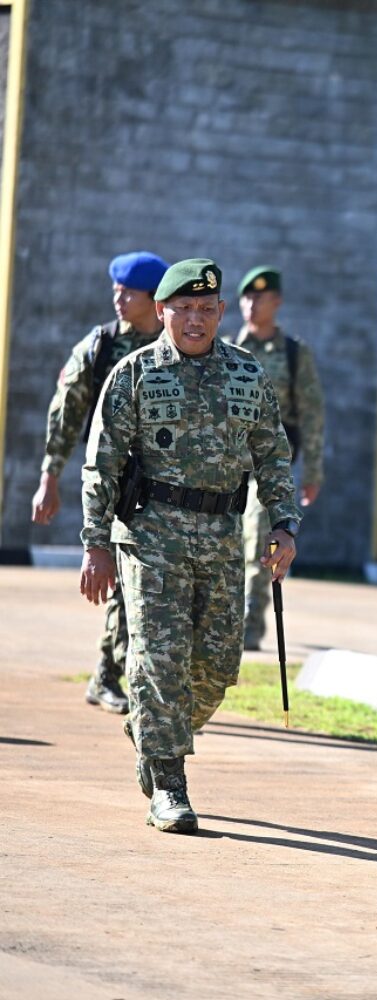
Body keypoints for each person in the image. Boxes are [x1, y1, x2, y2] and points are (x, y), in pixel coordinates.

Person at [80, 259, 301, 834]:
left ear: (222, 313)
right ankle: (169, 780)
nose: (196, 319)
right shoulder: (134, 374)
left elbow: (274, 455)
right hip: (150, 536)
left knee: (218, 667)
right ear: (162, 312)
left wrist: (284, 524)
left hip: (224, 537)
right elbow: (100, 466)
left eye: (207, 308)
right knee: (159, 656)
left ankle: (154, 729)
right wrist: (95, 544)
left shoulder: (248, 375)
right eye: (183, 308)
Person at [32, 250, 169, 714]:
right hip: (115, 481)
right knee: (125, 579)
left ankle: (116, 675)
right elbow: (65, 413)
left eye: (128, 292)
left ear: (153, 299)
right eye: (116, 289)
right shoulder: (100, 346)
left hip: (167, 485)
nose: (118, 298)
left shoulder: (178, 348)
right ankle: (110, 674)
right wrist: (49, 476)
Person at [231, 266, 324, 649]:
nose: (252, 305)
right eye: (247, 298)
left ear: (277, 302)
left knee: (257, 539)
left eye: (261, 298)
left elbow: (311, 412)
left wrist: (313, 470)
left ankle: (250, 624)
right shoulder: (226, 350)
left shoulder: (293, 353)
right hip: (222, 464)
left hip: (267, 466)